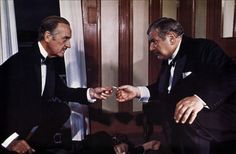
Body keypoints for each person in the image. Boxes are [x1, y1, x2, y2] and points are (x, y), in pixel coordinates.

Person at [116, 17, 236, 154]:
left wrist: (200, 99)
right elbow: (166, 89)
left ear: (172, 38)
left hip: (221, 114)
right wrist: (136, 91)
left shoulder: (203, 48)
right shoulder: (169, 57)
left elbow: (231, 74)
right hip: (184, 123)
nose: (150, 48)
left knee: (188, 116)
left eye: (154, 42)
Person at [0, 16, 113, 154]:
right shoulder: (20, 62)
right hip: (7, 131)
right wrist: (11, 141)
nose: (69, 45)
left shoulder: (48, 62)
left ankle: (33, 148)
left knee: (60, 110)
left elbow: (63, 91)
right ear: (48, 36)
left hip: (26, 122)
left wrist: (91, 93)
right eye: (65, 39)